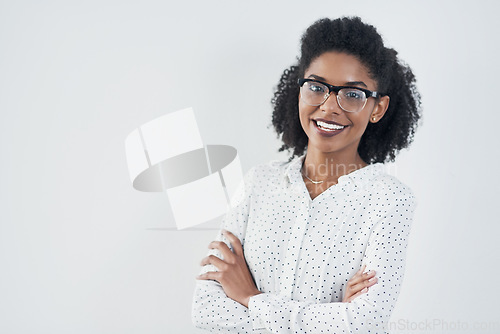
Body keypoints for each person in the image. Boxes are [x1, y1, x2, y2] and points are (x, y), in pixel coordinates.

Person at [192, 16, 421, 333]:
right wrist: (330, 317)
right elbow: (206, 310)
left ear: (378, 108)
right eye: (316, 87)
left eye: (352, 94)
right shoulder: (258, 183)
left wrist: (250, 297)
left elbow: (363, 324)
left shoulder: (389, 201)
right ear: (299, 90)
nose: (329, 107)